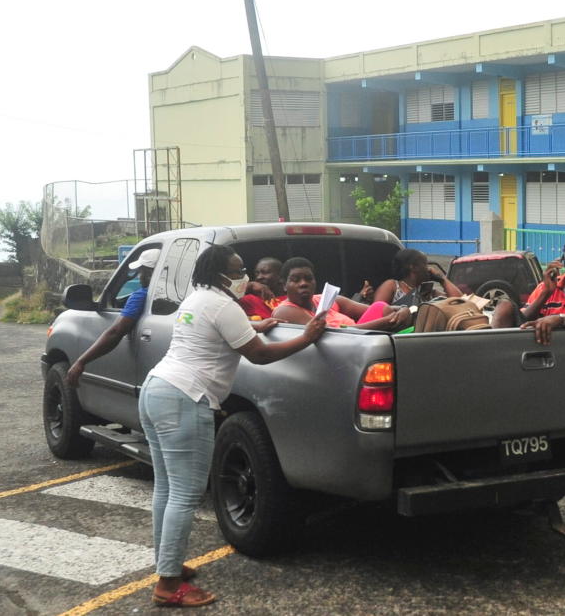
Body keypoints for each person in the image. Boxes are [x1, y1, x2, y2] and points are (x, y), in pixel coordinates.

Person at [139, 245, 326, 607]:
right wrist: (306, 337)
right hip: (185, 398)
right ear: (221, 274)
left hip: (157, 390)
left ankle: (168, 564)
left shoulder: (199, 298)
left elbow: (219, 332)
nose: (247, 277)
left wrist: (255, 325)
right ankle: (168, 585)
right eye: (239, 270)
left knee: (166, 487)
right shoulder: (224, 305)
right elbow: (258, 355)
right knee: (185, 493)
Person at [65, 248, 160, 388]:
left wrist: (81, 362)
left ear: (149, 274)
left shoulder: (140, 296)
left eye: (141, 272)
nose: (139, 277)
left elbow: (116, 332)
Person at [273, 257, 412, 330]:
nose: (303, 283)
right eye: (295, 280)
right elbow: (336, 334)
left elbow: (371, 310)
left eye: (308, 279)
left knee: (381, 307)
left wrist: (403, 310)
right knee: (380, 307)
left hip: (364, 341)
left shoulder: (326, 299)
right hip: (343, 347)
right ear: (284, 285)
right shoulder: (285, 310)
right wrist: (388, 321)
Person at [372, 248, 462, 306]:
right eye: (425, 264)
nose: (429, 268)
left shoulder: (428, 292)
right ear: (413, 267)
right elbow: (377, 311)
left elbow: (460, 302)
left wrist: (442, 279)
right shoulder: (392, 286)